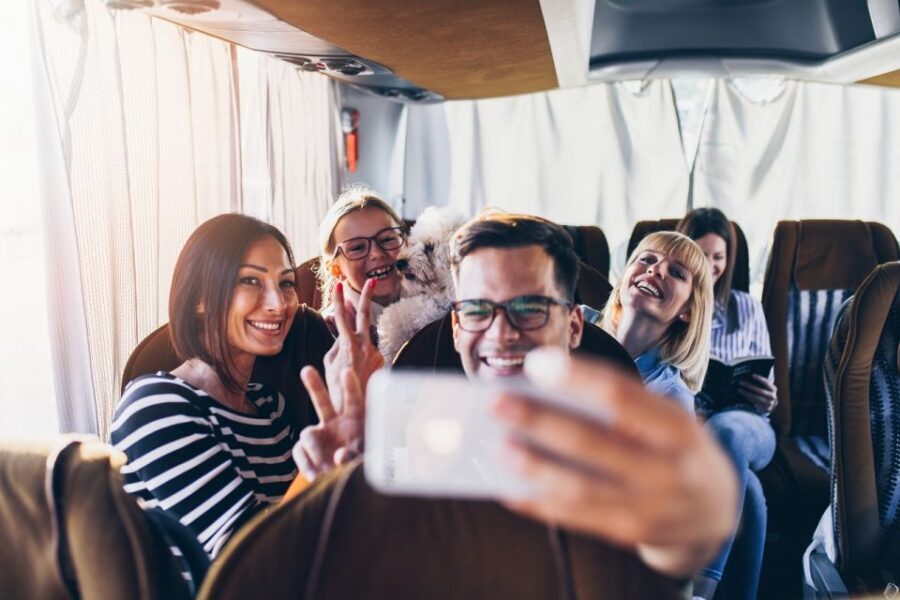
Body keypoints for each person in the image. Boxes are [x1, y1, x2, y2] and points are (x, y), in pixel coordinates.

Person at [295, 213, 738, 579]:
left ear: (574, 326)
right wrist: (330, 490)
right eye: (477, 310)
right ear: (456, 326)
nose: (501, 334)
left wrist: (683, 536)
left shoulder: (602, 449)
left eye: (529, 309)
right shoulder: (411, 440)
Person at [110, 214, 304, 559]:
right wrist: (326, 457)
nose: (278, 303)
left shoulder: (269, 407)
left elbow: (311, 537)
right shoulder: (153, 407)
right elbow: (254, 563)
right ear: (199, 296)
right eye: (250, 280)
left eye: (286, 283)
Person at [677, 207, 777, 600]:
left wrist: (768, 396)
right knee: (748, 490)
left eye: (718, 257)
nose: (712, 266)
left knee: (729, 431)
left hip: (750, 424)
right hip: (695, 425)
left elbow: (765, 381)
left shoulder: (747, 306)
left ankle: (704, 584)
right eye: (702, 256)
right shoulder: (677, 309)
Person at [600, 231, 714, 414]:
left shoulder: (673, 401)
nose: (655, 270)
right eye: (646, 259)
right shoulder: (575, 325)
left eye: (676, 273)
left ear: (688, 310)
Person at [316, 185, 407, 330]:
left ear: (406, 243)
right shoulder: (329, 331)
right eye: (357, 248)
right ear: (335, 269)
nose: (377, 253)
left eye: (387, 239)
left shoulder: (436, 300)